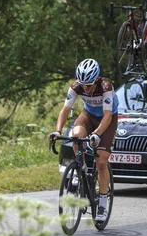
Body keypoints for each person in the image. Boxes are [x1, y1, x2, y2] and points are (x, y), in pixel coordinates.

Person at [49, 58, 118, 222]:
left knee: (101, 161)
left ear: (96, 80)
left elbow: (107, 116)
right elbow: (66, 109)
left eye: (89, 85)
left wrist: (97, 134)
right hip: (88, 115)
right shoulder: (76, 86)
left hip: (107, 119)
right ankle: (80, 168)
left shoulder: (106, 87)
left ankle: (102, 202)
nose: (85, 89)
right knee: (76, 134)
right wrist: (57, 131)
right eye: (83, 85)